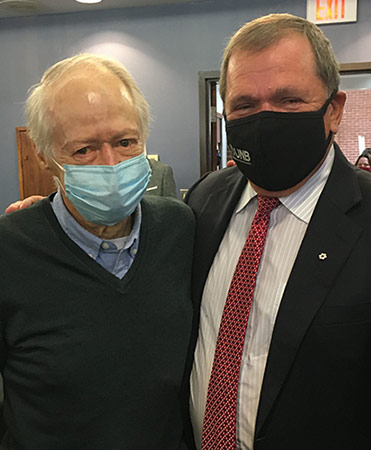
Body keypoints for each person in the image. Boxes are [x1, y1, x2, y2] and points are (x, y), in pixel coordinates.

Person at [186, 13, 371, 450]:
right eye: (245, 106)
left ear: (334, 110)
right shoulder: (204, 199)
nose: (265, 120)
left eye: (289, 100)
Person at [0, 54, 195, 450]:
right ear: (43, 155)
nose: (110, 164)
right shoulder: (10, 251)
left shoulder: (181, 229)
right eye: (84, 150)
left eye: (125, 142)